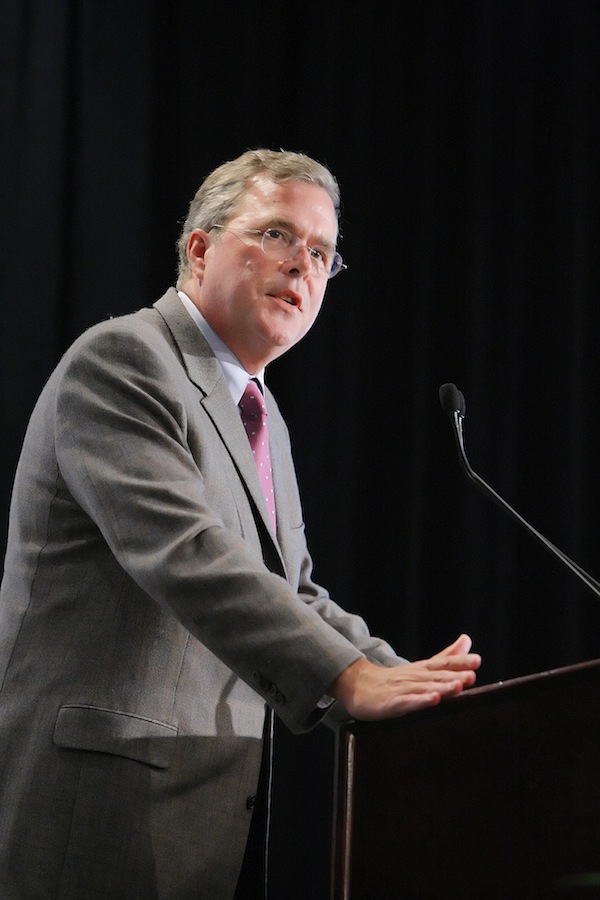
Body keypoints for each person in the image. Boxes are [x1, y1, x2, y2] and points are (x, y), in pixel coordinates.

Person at [0, 148, 481, 900]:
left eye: (322, 252)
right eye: (278, 235)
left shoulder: (260, 414)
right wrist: (344, 677)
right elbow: (187, 555)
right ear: (200, 247)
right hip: (97, 806)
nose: (303, 266)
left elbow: (294, 590)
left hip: (200, 818)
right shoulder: (123, 361)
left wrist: (409, 685)